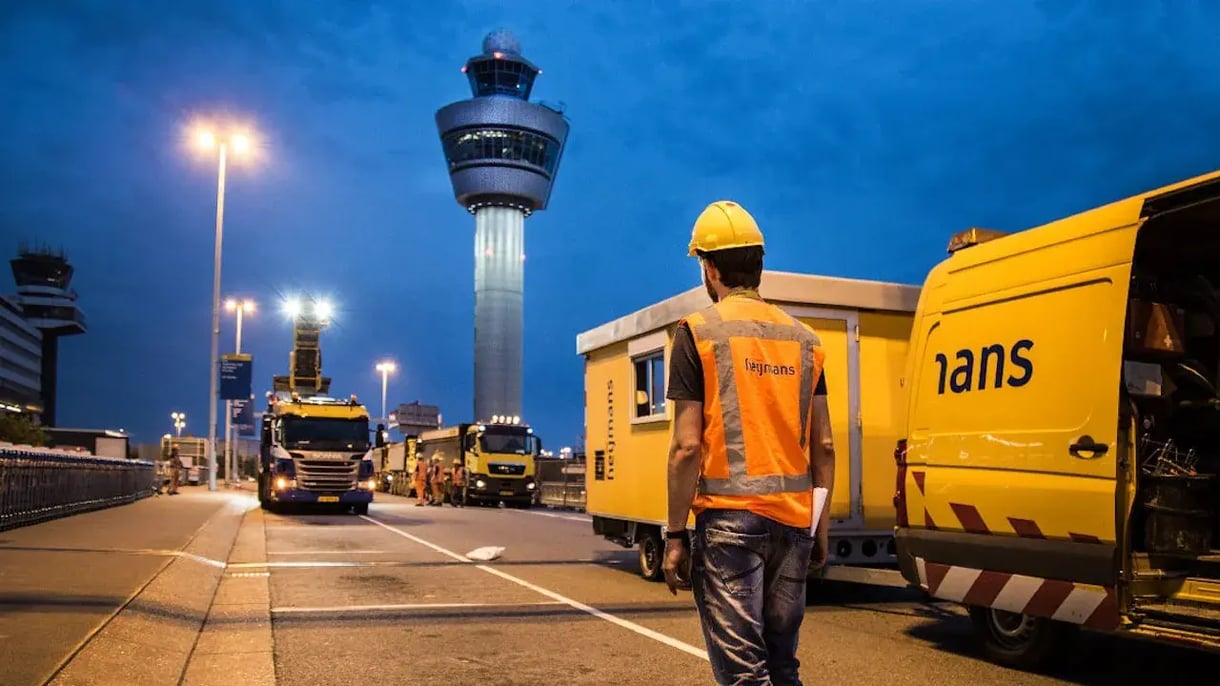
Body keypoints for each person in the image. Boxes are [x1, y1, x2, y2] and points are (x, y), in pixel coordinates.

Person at [662, 200, 835, 686]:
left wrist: (675, 537)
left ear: (709, 267)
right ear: (758, 265)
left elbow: (686, 447)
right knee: (782, 666)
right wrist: (818, 526)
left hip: (729, 524)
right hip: (793, 521)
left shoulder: (697, 334)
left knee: (744, 674)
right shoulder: (806, 340)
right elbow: (823, 445)